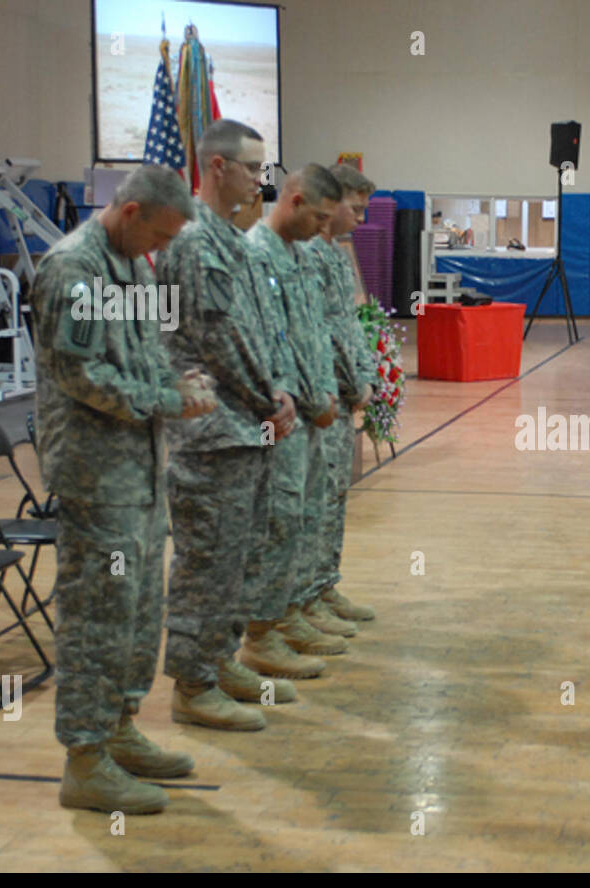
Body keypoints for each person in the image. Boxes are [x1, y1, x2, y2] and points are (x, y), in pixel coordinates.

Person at [33, 164, 215, 813]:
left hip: (138, 465)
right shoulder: (72, 269)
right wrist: (167, 399)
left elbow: (143, 352)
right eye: (158, 235)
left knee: (139, 611)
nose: (160, 251)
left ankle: (118, 727)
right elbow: (81, 374)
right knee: (96, 615)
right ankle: (84, 758)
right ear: (130, 211)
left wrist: (180, 380)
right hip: (94, 474)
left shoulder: (133, 265)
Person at [157, 119, 304, 729]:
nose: (260, 181)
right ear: (217, 168)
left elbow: (258, 328)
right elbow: (218, 340)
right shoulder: (195, 242)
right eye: (252, 168)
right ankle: (193, 685)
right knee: (207, 561)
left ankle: (218, 660)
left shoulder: (230, 240)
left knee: (239, 554)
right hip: (214, 429)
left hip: (247, 424)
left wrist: (280, 390)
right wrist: (267, 395)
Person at [245, 164, 347, 669]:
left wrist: (327, 392)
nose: (322, 228)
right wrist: (306, 399)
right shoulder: (255, 254)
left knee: (304, 515)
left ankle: (293, 610)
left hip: (310, 412)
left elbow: (315, 334)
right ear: (295, 200)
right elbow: (270, 345)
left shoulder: (299, 254)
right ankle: (264, 633)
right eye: (318, 217)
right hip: (280, 416)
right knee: (278, 522)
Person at [299, 163, 381, 632]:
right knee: (312, 501)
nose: (361, 219)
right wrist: (351, 384)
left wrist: (364, 379)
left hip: (340, 393)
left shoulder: (333, 255)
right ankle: (304, 598)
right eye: (355, 208)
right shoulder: (307, 254)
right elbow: (319, 331)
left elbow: (350, 325)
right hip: (319, 397)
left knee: (333, 497)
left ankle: (323, 585)